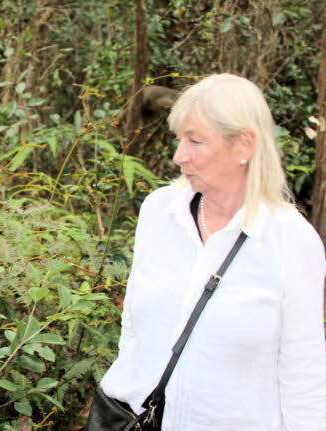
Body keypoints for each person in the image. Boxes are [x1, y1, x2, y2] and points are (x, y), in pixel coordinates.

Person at [96, 73, 326, 430]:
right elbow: (133, 329)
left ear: (244, 146)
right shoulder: (159, 211)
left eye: (196, 141)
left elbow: (304, 372)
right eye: (179, 139)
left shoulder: (291, 241)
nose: (178, 156)